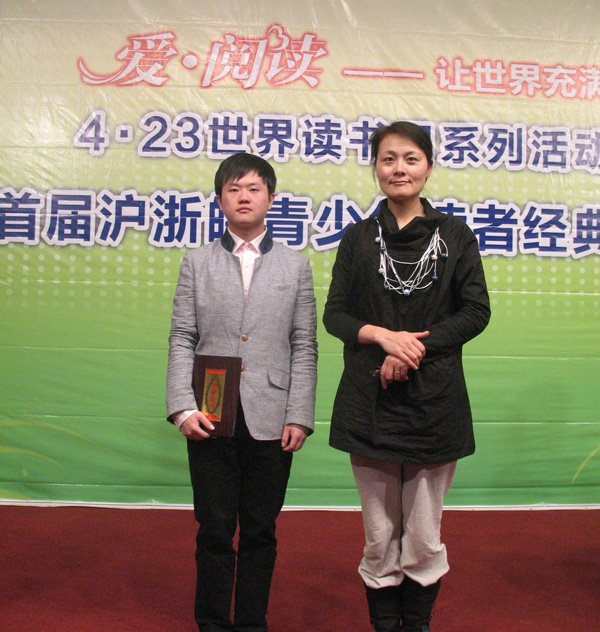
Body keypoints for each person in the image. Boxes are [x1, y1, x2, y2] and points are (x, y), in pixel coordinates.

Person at [323, 121, 490, 632]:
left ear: (428, 167)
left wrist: (411, 347)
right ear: (376, 168)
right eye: (388, 158)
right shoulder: (357, 238)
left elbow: (475, 312)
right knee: (379, 536)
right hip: (369, 402)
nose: (399, 168)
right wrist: (382, 336)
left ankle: (416, 623)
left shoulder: (456, 236)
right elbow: (335, 315)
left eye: (411, 158)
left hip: (433, 403)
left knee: (422, 535)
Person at [166, 153, 318, 632]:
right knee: (213, 529)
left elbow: (304, 344)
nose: (244, 197)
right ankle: (212, 623)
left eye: (253, 188)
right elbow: (182, 337)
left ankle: (252, 623)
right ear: (220, 201)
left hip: (272, 416)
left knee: (260, 530)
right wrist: (181, 407)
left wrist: (300, 414)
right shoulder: (197, 262)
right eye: (233, 189)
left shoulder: (296, 266)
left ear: (271, 198)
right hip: (210, 412)